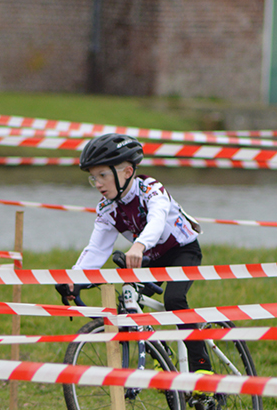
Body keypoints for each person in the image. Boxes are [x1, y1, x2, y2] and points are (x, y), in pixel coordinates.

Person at [56, 132, 212, 373]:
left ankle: (202, 367)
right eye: (93, 178)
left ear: (127, 172)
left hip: (182, 250)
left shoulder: (150, 188)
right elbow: (97, 248)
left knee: (174, 301)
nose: (97, 184)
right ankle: (163, 358)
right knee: (130, 302)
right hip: (151, 259)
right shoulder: (107, 209)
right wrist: (75, 279)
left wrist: (139, 245)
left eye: (103, 175)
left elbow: (157, 220)